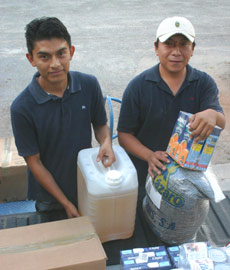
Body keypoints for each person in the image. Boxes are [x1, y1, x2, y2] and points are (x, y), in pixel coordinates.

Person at [11, 17, 115, 219]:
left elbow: (101, 125)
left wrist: (106, 142)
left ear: (71, 52)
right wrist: (65, 203)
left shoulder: (89, 85)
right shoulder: (22, 107)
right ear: (31, 59)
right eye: (44, 57)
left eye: (61, 53)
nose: (55, 64)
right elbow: (34, 162)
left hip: (87, 181)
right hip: (49, 197)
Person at [117, 16, 225, 194]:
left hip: (189, 181)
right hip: (146, 176)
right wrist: (149, 156)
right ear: (156, 48)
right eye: (169, 43)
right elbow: (124, 135)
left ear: (192, 49)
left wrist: (212, 114)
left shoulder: (203, 83)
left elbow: (221, 122)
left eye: (184, 44)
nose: (176, 51)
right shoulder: (138, 86)